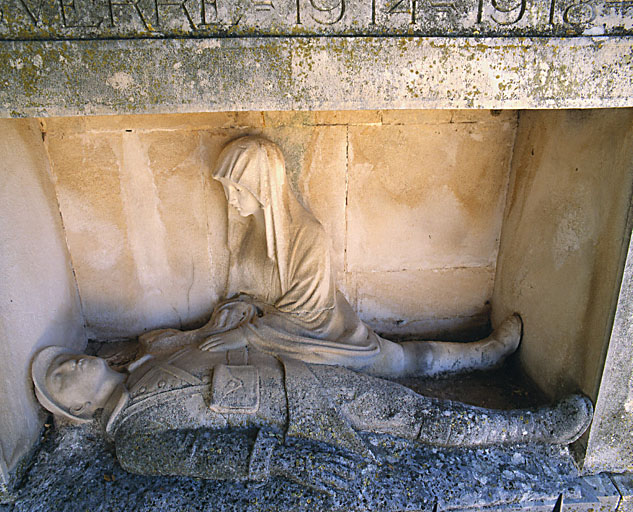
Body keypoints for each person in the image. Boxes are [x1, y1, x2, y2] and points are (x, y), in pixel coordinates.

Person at [141, 136, 522, 379]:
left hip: (329, 340)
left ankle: (485, 353)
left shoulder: (308, 237)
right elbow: (251, 296)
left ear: (263, 189)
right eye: (227, 189)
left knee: (403, 362)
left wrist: (244, 334)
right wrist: (234, 318)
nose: (231, 199)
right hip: (273, 337)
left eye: (237, 189)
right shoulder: (250, 236)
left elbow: (309, 318)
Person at [31, 344, 593, 494]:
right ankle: (533, 429)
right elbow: (205, 456)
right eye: (62, 377)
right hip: (294, 410)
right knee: (414, 416)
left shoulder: (148, 362)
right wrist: (284, 458)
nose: (70, 364)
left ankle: (527, 426)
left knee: (407, 406)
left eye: (63, 359)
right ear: (77, 409)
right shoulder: (132, 438)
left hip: (294, 375)